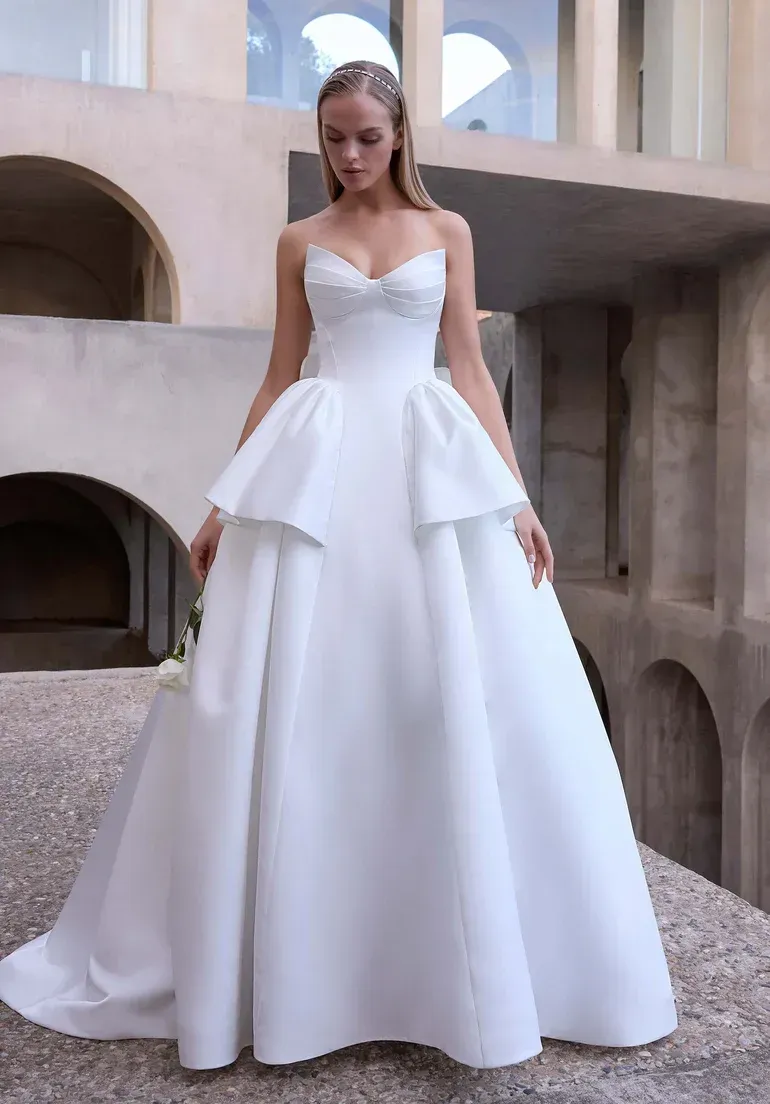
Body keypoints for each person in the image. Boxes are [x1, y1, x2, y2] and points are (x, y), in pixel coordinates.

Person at [0, 61, 677, 1072]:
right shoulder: (298, 241)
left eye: (365, 136)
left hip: (422, 469)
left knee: (436, 693)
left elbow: (465, 368)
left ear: (399, 134)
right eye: (332, 139)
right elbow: (281, 373)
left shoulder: (445, 234)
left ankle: (464, 963)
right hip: (318, 473)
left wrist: (516, 499)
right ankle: (296, 963)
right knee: (304, 705)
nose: (349, 156)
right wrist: (226, 501)